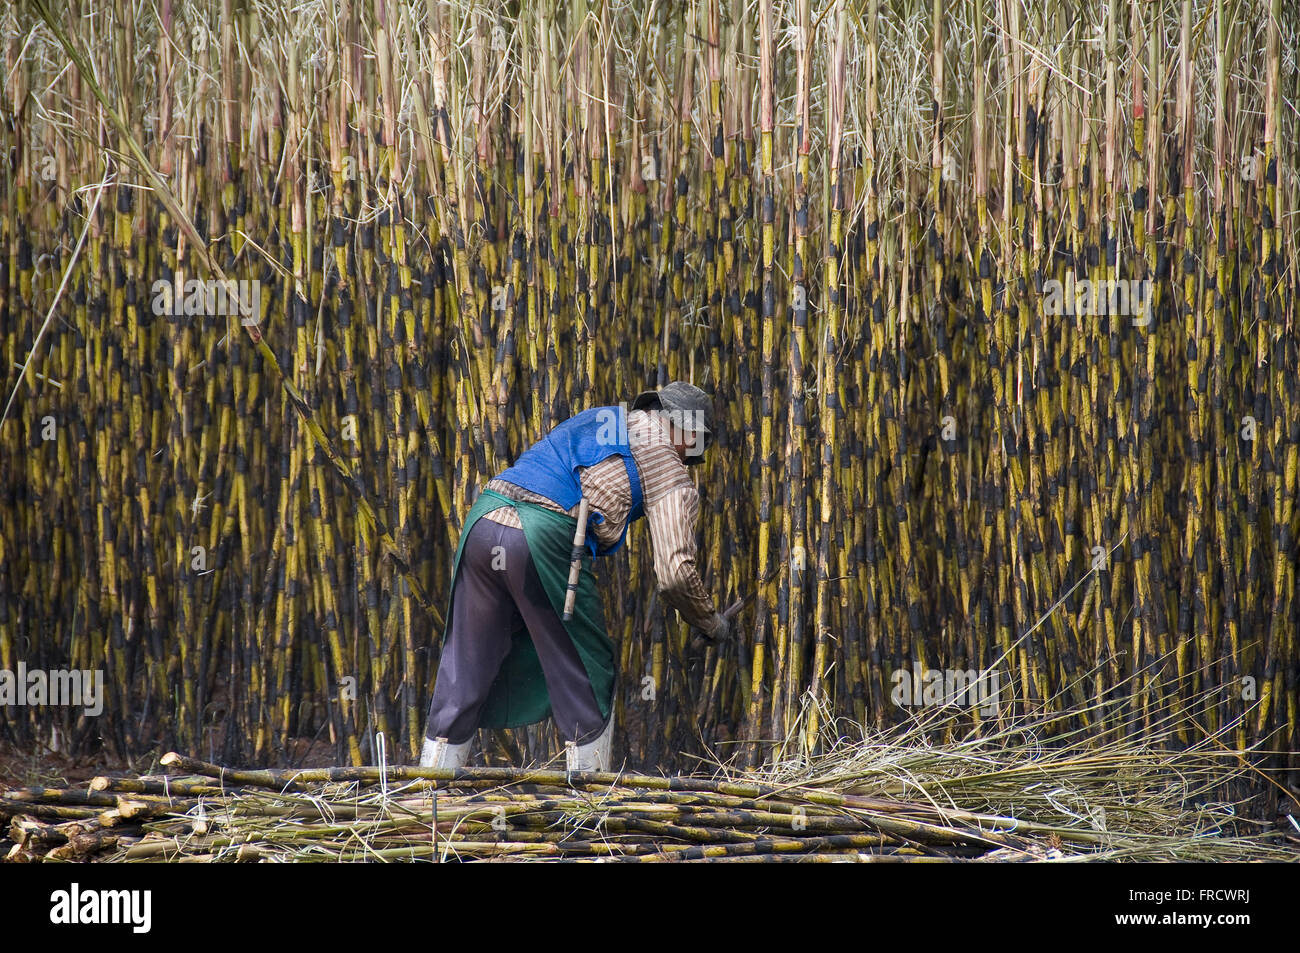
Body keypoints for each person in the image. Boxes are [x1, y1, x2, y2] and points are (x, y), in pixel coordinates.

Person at [420, 381, 730, 771]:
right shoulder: (667, 465)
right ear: (688, 433)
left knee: (466, 661)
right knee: (586, 666)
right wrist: (709, 620)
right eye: (695, 444)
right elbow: (674, 574)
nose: (689, 457)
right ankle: (587, 803)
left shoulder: (603, 417)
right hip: (541, 538)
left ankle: (432, 791)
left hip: (483, 522)